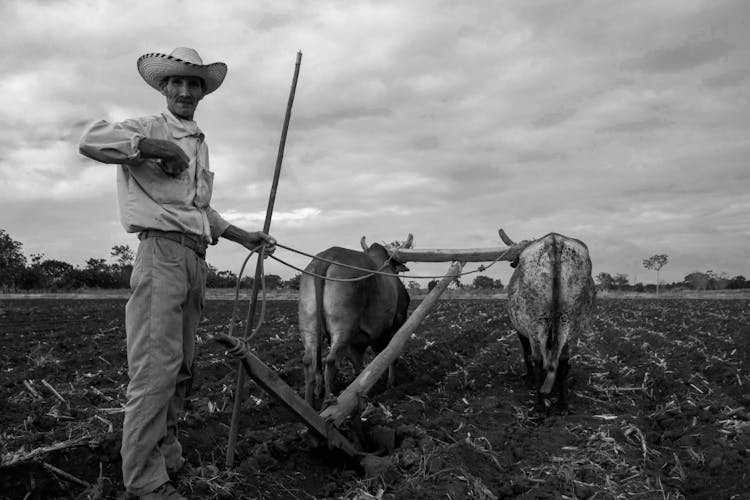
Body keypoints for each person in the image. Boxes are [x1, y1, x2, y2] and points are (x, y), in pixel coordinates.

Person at [79, 47, 275, 500]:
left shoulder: (201, 142)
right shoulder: (146, 128)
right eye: (178, 83)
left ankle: (166, 457)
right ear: (164, 88)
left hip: (194, 259)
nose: (186, 90)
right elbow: (91, 138)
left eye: (194, 84)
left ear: (203, 93)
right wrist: (153, 147)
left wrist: (243, 236)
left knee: (182, 369)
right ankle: (145, 484)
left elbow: (200, 208)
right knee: (155, 369)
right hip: (161, 256)